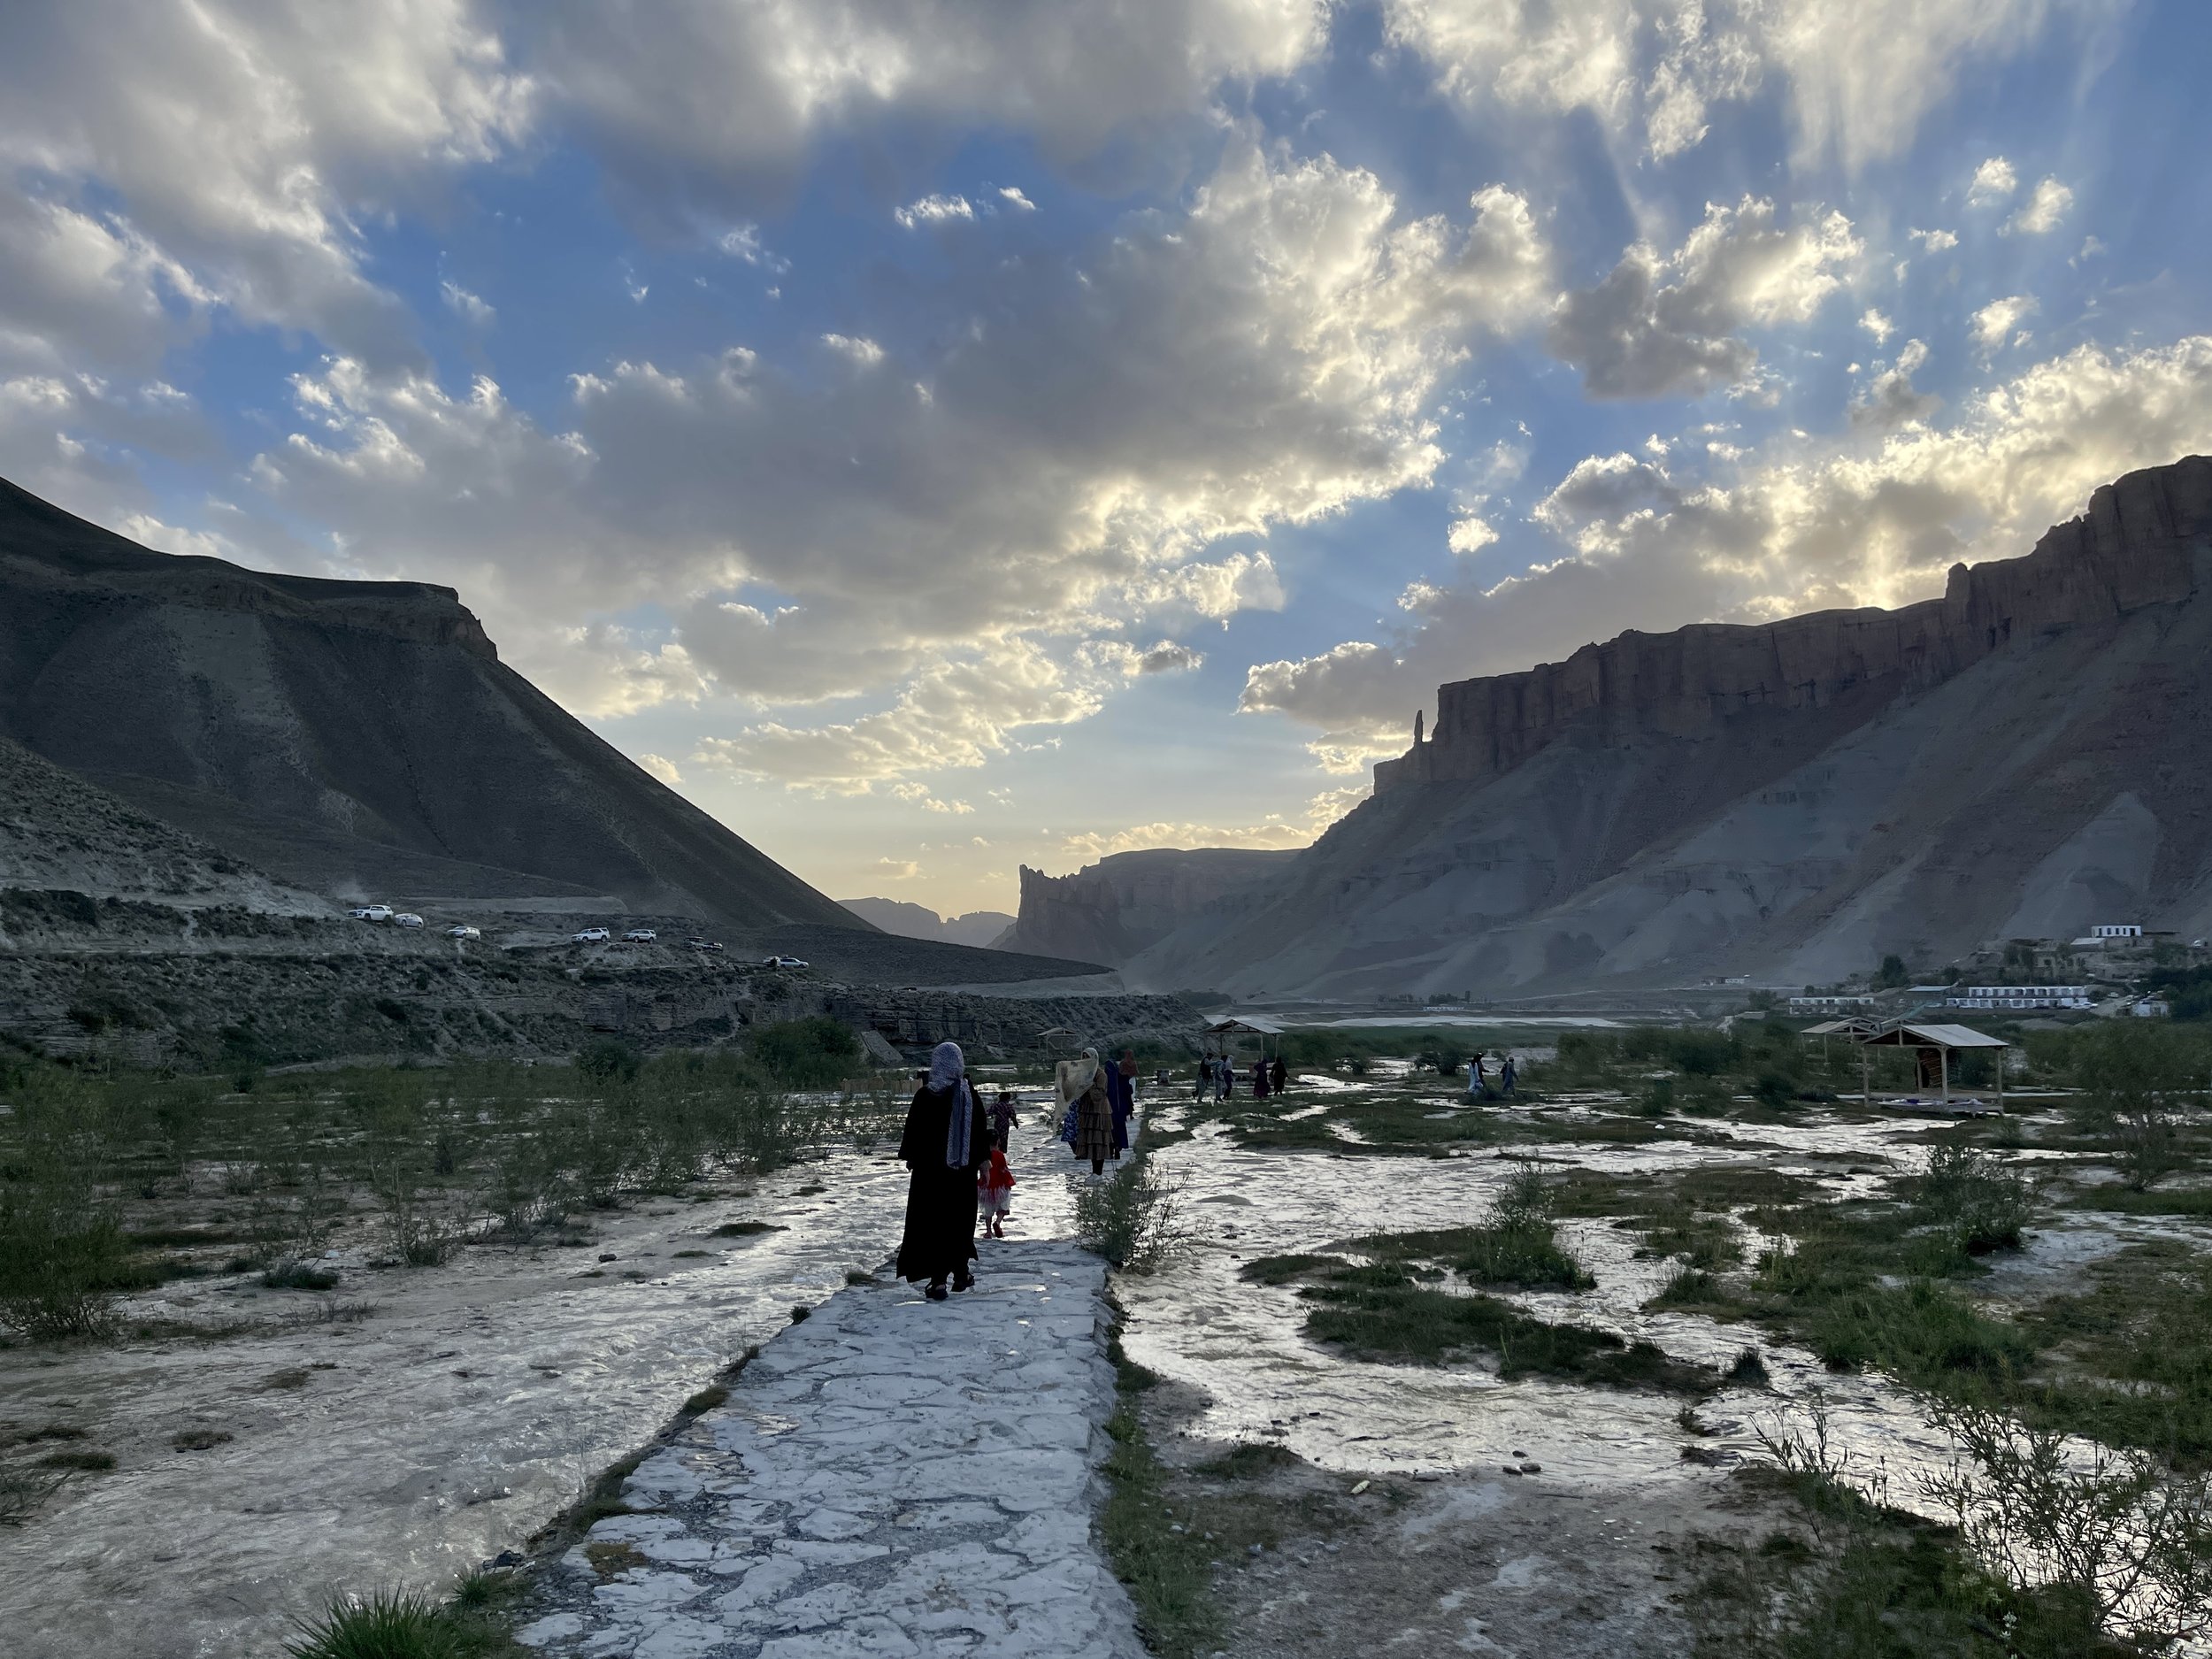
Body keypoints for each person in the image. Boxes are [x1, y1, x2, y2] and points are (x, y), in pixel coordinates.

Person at [896, 1041, 991, 1301]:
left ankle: (939, 1282)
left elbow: (913, 1133)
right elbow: (979, 1132)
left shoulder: (925, 1096)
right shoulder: (967, 1095)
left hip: (930, 1177)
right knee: (959, 1223)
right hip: (961, 1175)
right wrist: (984, 1164)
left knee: (933, 1224)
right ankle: (960, 1274)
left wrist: (911, 1158)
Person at [1061, 1048, 1116, 1176]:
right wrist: (1065, 1079)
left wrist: (1088, 1084)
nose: (1085, 1060)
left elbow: (1099, 1095)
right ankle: (1094, 1172)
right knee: (1089, 1142)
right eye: (1083, 1057)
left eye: (1087, 1058)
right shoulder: (1082, 1074)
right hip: (1086, 1111)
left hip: (1099, 1111)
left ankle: (1098, 1173)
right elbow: (1069, 1093)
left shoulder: (1100, 1075)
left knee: (1099, 1142)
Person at [978, 1145, 1016, 1239]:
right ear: (998, 1142)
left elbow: (982, 1169)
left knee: (988, 1209)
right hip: (999, 1185)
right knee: (1003, 1206)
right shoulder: (1000, 1155)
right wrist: (1008, 1183)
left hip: (986, 1186)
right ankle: (997, 1222)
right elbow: (1004, 1170)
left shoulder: (983, 1155)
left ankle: (988, 1232)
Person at [1110, 1049, 1138, 1157]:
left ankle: (1114, 1147)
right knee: (1130, 1098)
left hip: (1124, 1083)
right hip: (1128, 1082)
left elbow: (1121, 1072)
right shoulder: (1129, 1063)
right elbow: (1134, 1072)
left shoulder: (1123, 1064)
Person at [988, 1087, 1019, 1151]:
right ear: (1008, 1099)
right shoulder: (1008, 1106)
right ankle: (1002, 1152)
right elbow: (1012, 1115)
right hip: (1005, 1124)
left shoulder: (996, 1105)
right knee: (1004, 1139)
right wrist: (1015, 1123)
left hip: (998, 1124)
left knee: (997, 1138)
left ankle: (996, 1150)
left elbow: (988, 1113)